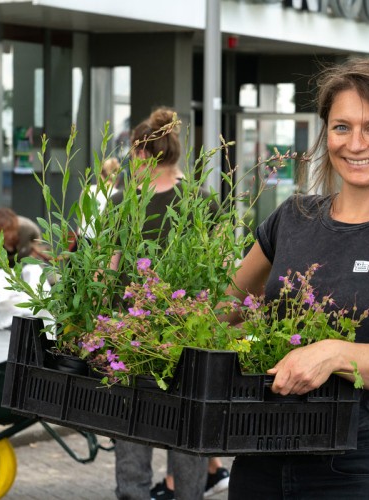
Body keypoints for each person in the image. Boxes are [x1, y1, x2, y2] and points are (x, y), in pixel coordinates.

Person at [224, 57, 369, 498]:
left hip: (355, 468)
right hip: (259, 453)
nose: (356, 143)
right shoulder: (291, 218)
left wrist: (332, 353)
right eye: (341, 127)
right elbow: (223, 309)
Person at [109, 107, 217, 500]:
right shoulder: (201, 201)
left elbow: (109, 267)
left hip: (131, 336)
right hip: (187, 335)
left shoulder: (124, 201)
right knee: (185, 427)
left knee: (132, 427)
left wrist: (99, 322)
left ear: (140, 154)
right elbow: (219, 270)